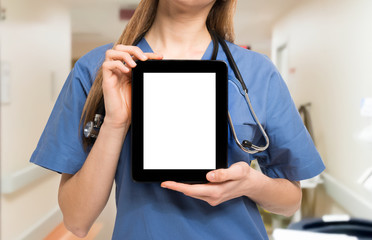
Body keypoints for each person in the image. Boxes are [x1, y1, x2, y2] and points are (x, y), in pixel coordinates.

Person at [30, 0, 325, 239]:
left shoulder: (258, 73)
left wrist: (249, 184)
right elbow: (77, 221)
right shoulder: (101, 69)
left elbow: (290, 202)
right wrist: (116, 123)